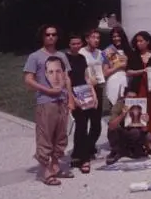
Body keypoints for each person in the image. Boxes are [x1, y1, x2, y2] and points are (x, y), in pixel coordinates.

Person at [24, 25, 74, 186]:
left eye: (54, 34)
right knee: (45, 137)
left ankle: (55, 166)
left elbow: (66, 78)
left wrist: (71, 98)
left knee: (60, 137)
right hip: (46, 103)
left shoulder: (61, 56)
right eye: (48, 34)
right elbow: (28, 80)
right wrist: (47, 90)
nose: (51, 37)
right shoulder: (35, 56)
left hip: (62, 101)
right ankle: (45, 172)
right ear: (43, 37)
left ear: (57, 37)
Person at [127, 31, 151, 149]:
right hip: (138, 88)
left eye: (141, 41)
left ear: (148, 42)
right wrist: (142, 71)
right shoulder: (133, 55)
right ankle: (141, 143)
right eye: (137, 41)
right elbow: (128, 71)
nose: (139, 43)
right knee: (139, 115)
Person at [65, 34, 95, 174]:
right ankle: (85, 159)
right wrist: (72, 98)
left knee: (82, 126)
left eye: (78, 43)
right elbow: (66, 80)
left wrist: (93, 94)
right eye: (73, 44)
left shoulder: (82, 58)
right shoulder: (65, 59)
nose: (76, 46)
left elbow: (86, 76)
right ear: (69, 45)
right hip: (73, 95)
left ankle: (76, 154)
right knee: (81, 124)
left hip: (84, 93)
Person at [79, 29, 107, 158]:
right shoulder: (81, 53)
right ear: (87, 39)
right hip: (84, 89)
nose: (96, 40)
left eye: (98, 38)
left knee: (96, 122)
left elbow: (105, 68)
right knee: (84, 120)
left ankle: (90, 145)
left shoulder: (100, 53)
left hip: (98, 88)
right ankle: (84, 149)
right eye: (93, 37)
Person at [106, 89, 150, 164]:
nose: (132, 99)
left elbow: (145, 130)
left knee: (148, 136)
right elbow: (111, 125)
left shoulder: (140, 106)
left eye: (134, 97)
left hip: (132, 133)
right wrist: (122, 115)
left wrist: (145, 122)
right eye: (129, 97)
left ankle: (131, 149)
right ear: (124, 97)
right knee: (112, 129)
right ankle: (116, 151)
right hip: (120, 133)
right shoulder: (119, 105)